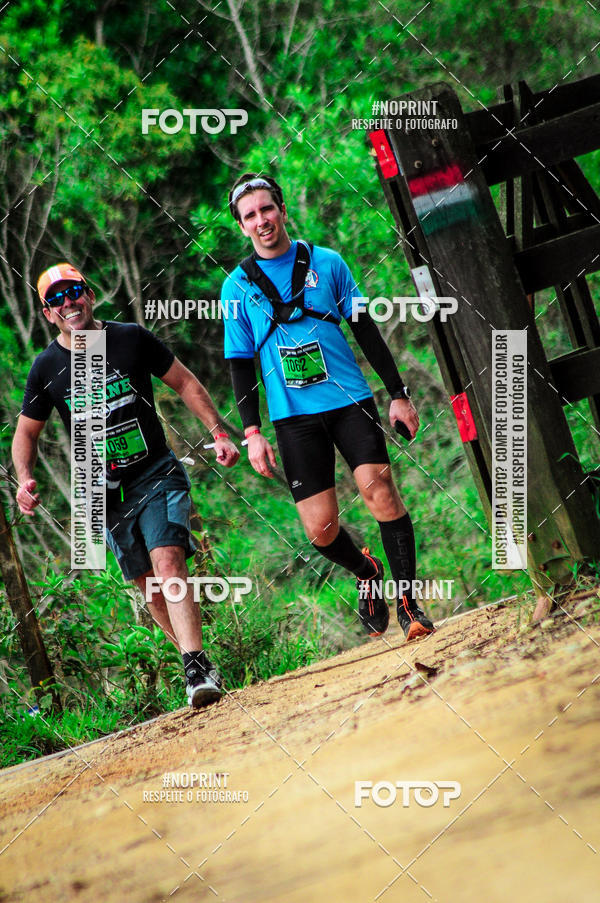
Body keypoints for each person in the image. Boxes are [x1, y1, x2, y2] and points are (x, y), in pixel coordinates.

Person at [12, 262, 239, 708]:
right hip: (104, 492)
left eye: (73, 292)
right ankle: (197, 666)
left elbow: (185, 382)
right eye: (56, 299)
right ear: (47, 313)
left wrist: (218, 432)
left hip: (155, 472)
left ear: (89, 294)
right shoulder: (46, 368)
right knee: (147, 583)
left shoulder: (131, 338)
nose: (68, 303)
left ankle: (194, 668)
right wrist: (24, 479)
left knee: (168, 562)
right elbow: (26, 432)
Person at [221, 173, 434, 642]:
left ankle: (409, 605)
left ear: (282, 210)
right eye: (250, 215)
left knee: (380, 493)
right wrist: (251, 433)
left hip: (348, 400)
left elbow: (366, 330)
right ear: (241, 225)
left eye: (267, 209)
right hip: (292, 418)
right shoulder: (236, 287)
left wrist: (398, 394)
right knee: (320, 530)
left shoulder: (328, 263)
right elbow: (239, 363)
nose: (262, 220)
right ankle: (366, 571)